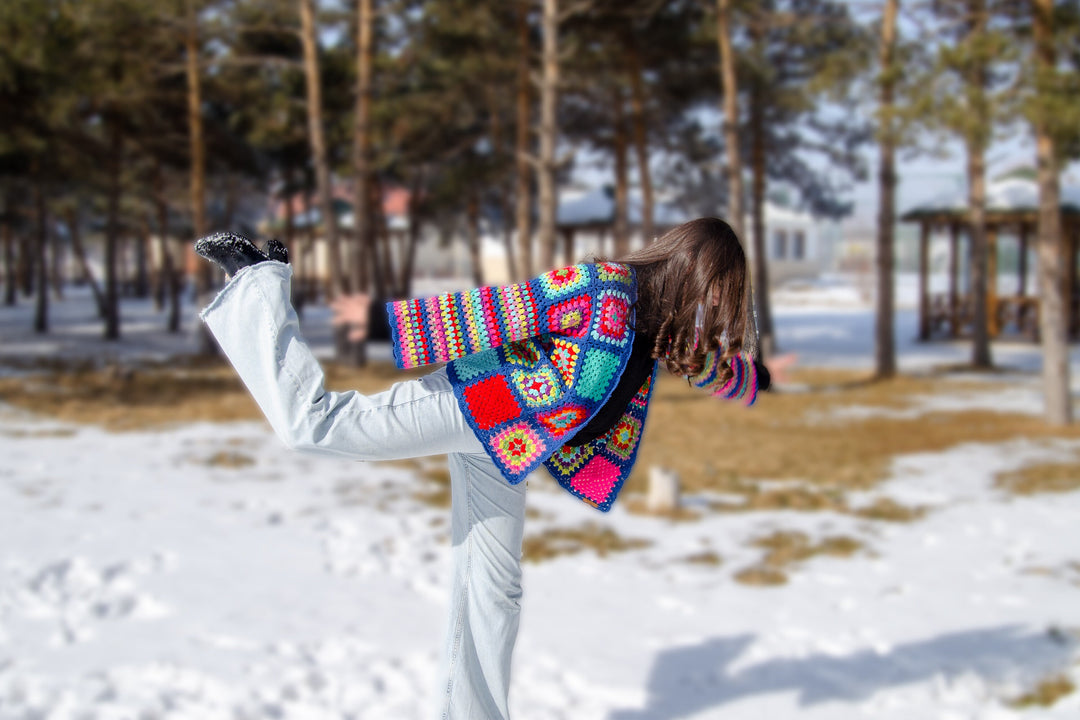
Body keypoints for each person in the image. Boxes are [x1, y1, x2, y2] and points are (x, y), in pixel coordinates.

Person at [194, 217, 792, 720]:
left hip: (509, 448)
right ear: (695, 269)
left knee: (494, 592)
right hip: (473, 406)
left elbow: (706, 365)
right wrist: (380, 321)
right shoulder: (603, 287)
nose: (718, 305)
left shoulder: (658, 326)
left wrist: (761, 379)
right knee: (314, 426)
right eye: (720, 291)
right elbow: (500, 310)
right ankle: (257, 281)